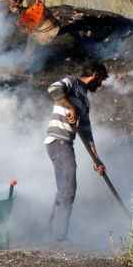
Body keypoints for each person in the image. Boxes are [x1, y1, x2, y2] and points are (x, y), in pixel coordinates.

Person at [44, 60, 109, 242]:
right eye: (101, 80)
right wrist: (70, 107)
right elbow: (53, 89)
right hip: (58, 141)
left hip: (66, 143)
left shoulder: (85, 101)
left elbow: (86, 133)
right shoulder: (71, 82)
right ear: (95, 75)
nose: (100, 85)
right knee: (68, 189)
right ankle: (59, 237)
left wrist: (97, 160)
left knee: (63, 189)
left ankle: (51, 233)